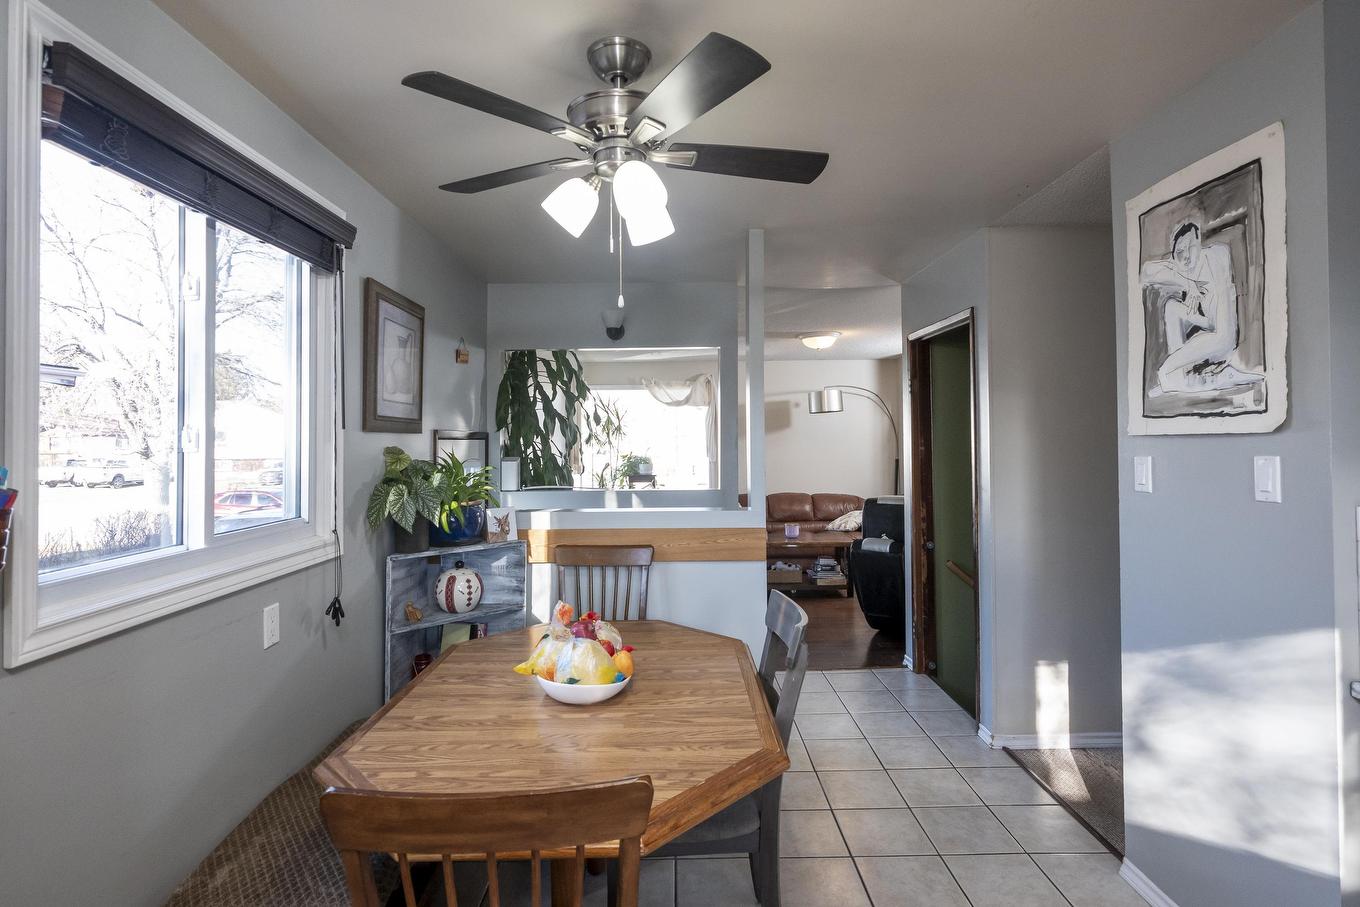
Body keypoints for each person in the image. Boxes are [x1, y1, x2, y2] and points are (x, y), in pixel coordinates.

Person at [1140, 221, 1261, 396]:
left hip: (1223, 337)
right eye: (1180, 251)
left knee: (1165, 372)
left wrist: (1169, 365)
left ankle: (1175, 374)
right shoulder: (1181, 265)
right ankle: (1183, 377)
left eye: (1190, 247)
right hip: (1207, 326)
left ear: (1198, 242)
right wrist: (1188, 284)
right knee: (1172, 307)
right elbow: (1146, 271)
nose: (1186, 255)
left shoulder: (1216, 256)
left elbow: (1222, 332)